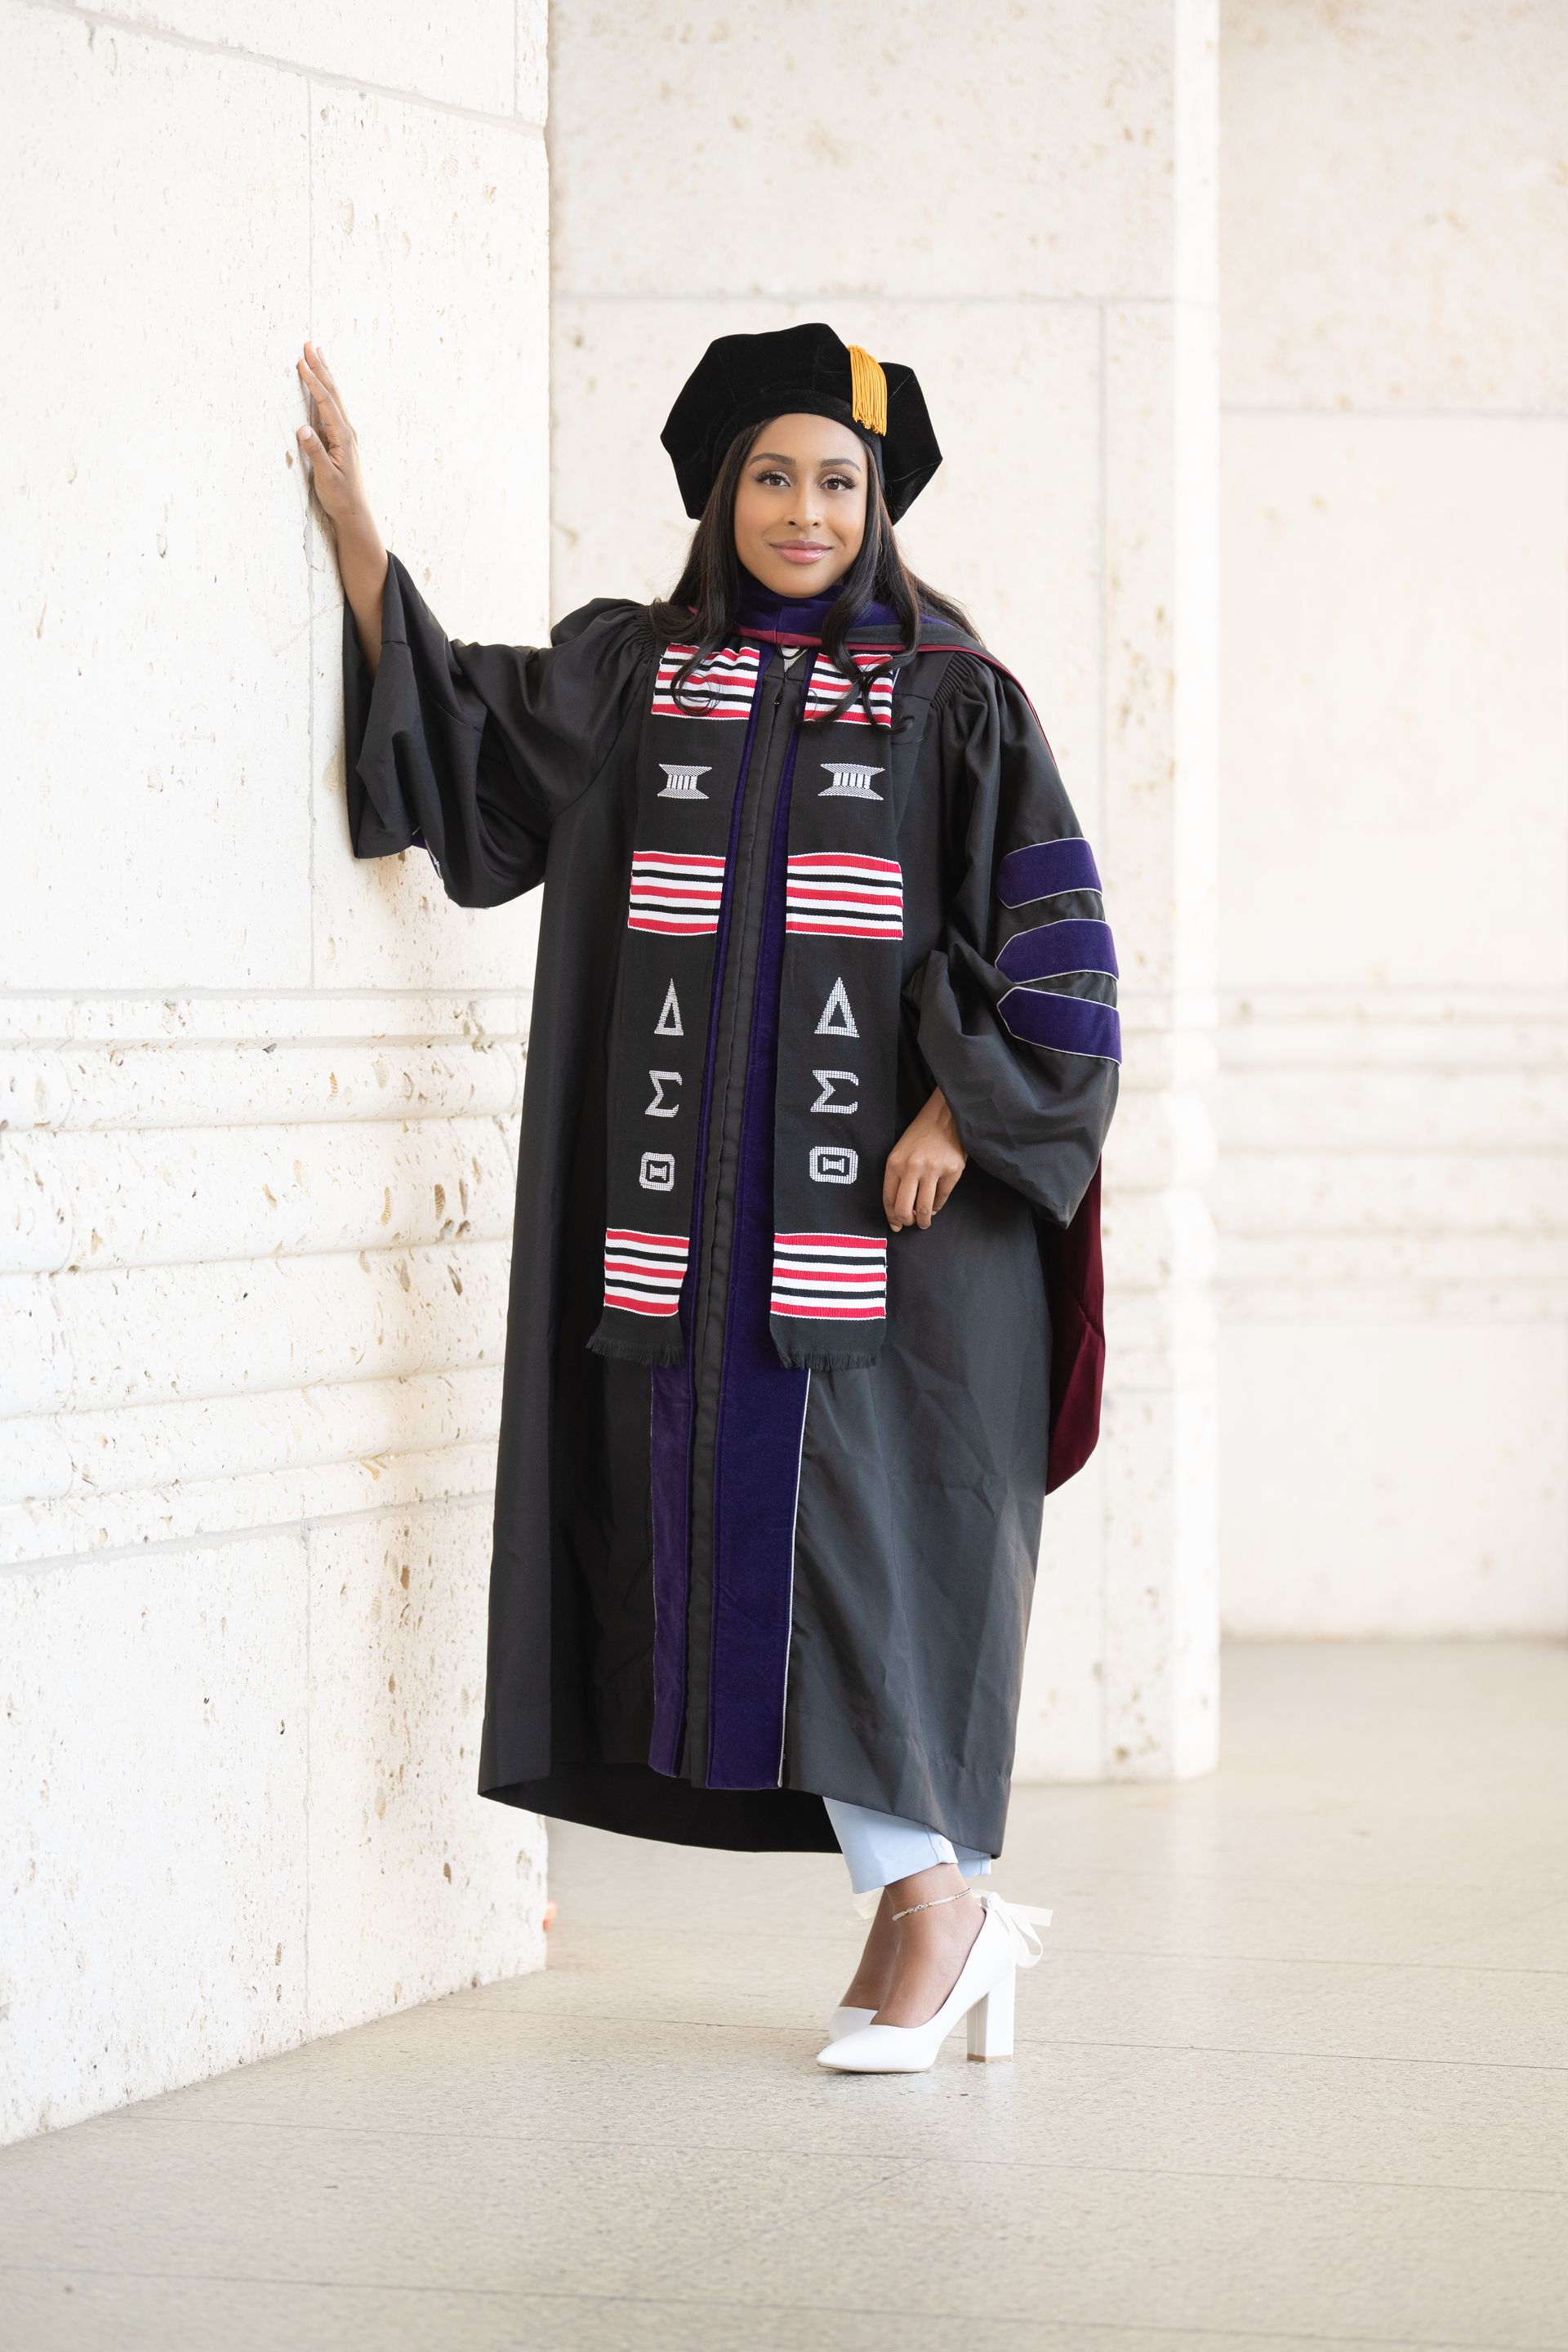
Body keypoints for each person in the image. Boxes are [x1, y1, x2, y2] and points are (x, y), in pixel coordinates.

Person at [296, 322, 1118, 2074]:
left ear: (880, 501)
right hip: (686, 1247)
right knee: (753, 1568)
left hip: (901, 1242)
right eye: (772, 475)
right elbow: (464, 738)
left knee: (878, 1559)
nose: (805, 510)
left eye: (839, 480)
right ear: (718, 492)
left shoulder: (954, 698)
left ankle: (942, 1913)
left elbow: (1062, 967)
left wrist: (962, 1115)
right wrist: (362, 543)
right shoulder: (636, 681)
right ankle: (933, 1914)